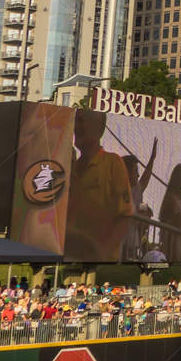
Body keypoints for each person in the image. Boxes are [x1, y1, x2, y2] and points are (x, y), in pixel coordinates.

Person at [66, 111, 135, 261]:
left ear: (97, 127)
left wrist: (101, 255)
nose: (76, 127)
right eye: (75, 121)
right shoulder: (72, 168)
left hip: (97, 259)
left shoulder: (113, 163)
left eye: (81, 121)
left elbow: (124, 217)